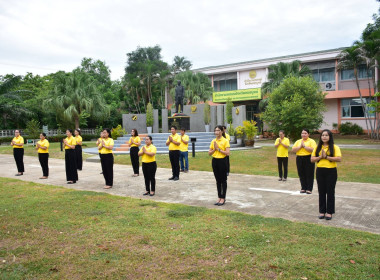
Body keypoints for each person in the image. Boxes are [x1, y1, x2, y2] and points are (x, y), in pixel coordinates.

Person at [311, 129, 342, 220]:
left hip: (331, 171)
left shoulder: (335, 147)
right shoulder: (317, 147)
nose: (324, 137)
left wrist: (327, 157)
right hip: (320, 171)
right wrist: (320, 157)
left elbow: (339, 159)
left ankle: (329, 212)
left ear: (330, 137)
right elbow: (312, 160)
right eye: (322, 135)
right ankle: (322, 211)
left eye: (326, 135)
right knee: (321, 192)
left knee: (330, 192)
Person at [208, 125, 230, 206]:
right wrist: (214, 149)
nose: (216, 132)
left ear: (222, 131)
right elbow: (209, 153)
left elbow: (228, 153)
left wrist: (219, 149)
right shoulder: (213, 141)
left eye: (218, 130)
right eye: (215, 130)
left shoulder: (225, 141)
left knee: (223, 180)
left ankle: (223, 198)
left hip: (222, 161)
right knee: (218, 180)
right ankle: (219, 197)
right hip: (215, 161)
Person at [292, 129, 317, 194]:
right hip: (299, 158)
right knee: (301, 173)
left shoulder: (311, 141)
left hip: (308, 158)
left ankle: (309, 189)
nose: (304, 134)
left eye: (305, 133)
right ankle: (303, 188)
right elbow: (294, 149)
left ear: (308, 134)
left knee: (309, 173)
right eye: (302, 133)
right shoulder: (298, 141)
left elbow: (313, 150)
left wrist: (305, 146)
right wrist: (300, 146)